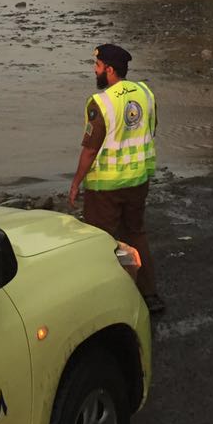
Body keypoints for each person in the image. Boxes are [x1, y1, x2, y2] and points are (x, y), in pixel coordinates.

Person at [69, 43, 166, 315]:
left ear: (109, 70)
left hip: (106, 187)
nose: (95, 71)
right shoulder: (146, 93)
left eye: (97, 67)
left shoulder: (100, 103)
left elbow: (90, 150)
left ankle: (102, 299)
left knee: (100, 240)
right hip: (139, 179)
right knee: (135, 233)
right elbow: (152, 128)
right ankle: (149, 296)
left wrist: (76, 182)